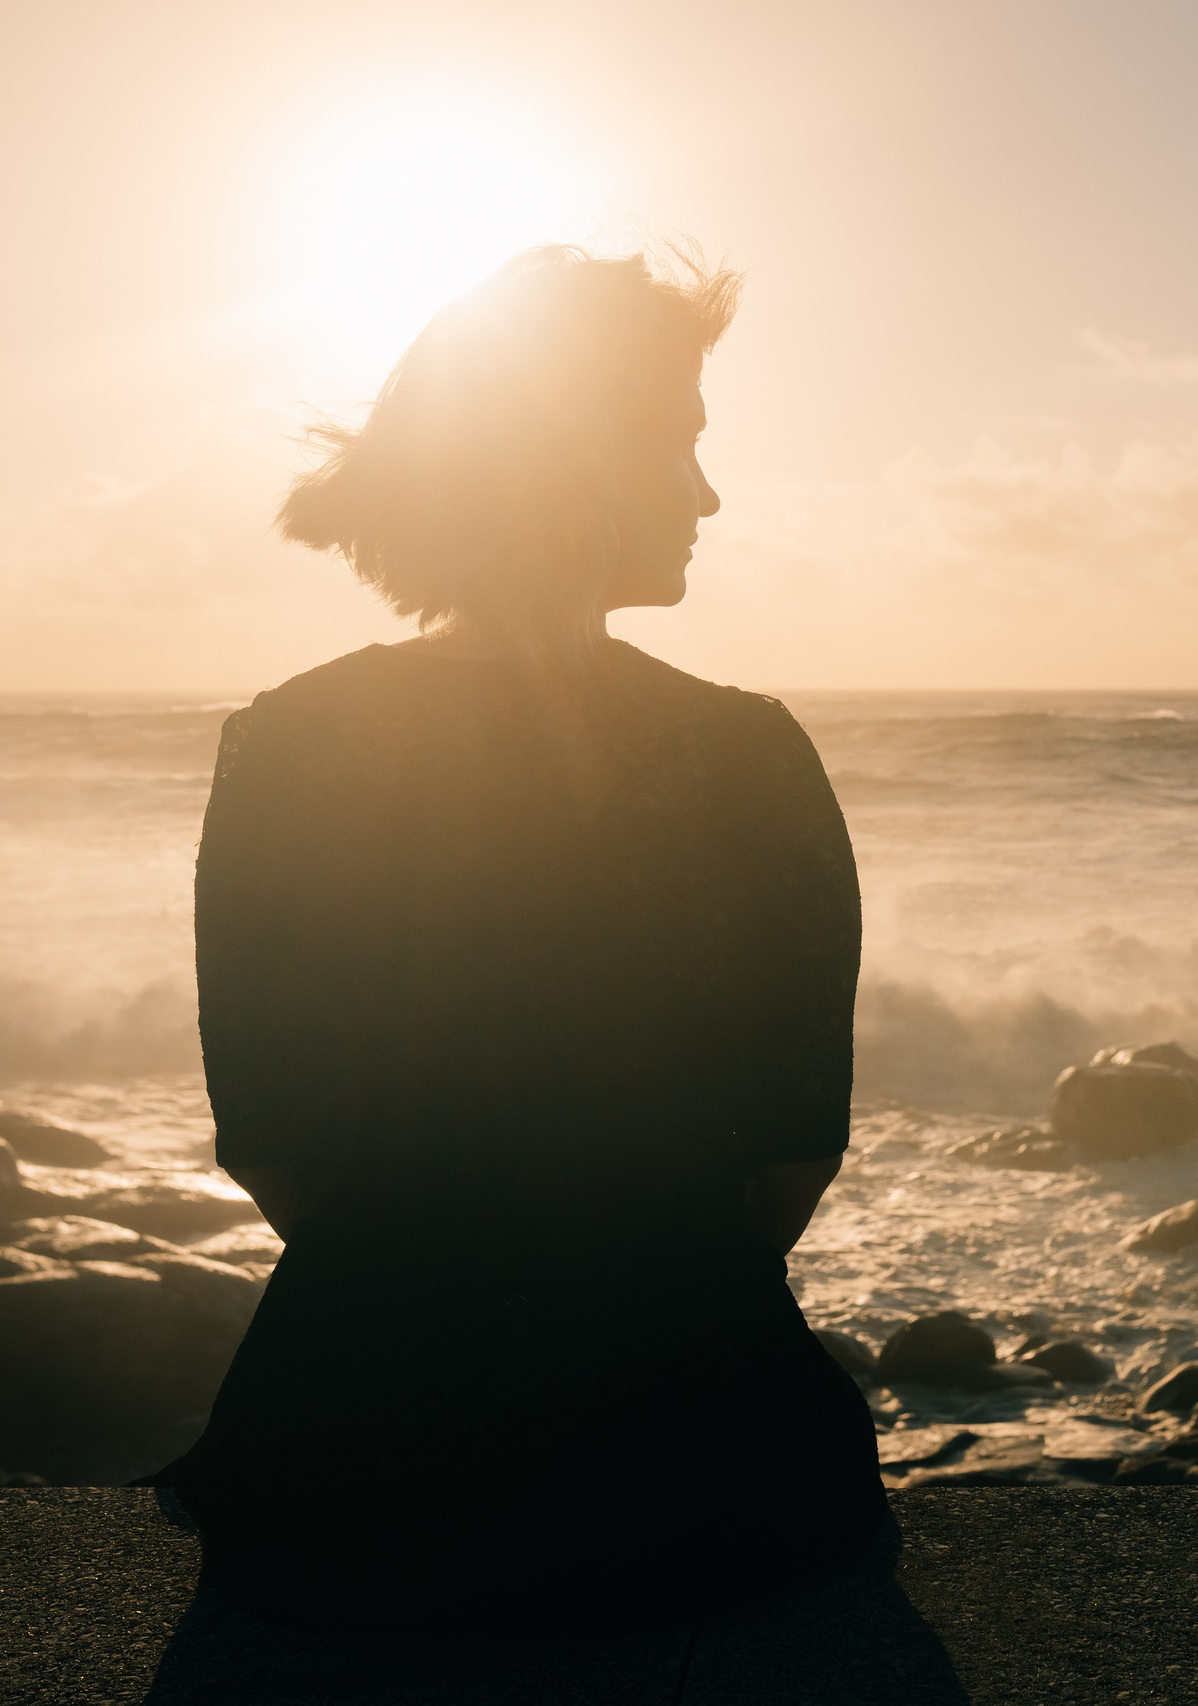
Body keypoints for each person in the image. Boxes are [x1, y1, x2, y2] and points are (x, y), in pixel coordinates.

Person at [161, 245, 887, 1632]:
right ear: (576, 457)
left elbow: (271, 1138)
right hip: (710, 1463)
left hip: (345, 1462)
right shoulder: (746, 756)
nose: (709, 492)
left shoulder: (287, 744)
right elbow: (791, 1148)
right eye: (679, 445)